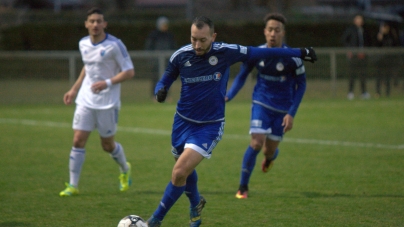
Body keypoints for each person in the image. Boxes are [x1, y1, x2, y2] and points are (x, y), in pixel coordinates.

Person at [145, 16, 316, 227]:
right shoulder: (181, 55)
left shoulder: (225, 52)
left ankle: (154, 220)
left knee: (179, 172)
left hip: (209, 126)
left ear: (213, 37)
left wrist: (300, 52)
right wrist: (159, 90)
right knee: (183, 172)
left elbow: (263, 51)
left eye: (203, 40)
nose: (197, 45)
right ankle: (196, 203)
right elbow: (167, 76)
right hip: (181, 123)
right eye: (193, 39)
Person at [225, 13, 307, 199]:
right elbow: (242, 75)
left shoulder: (293, 58)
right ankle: (243, 188)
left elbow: (302, 84)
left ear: (282, 33)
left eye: (277, 30)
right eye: (270, 30)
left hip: (283, 109)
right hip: (261, 103)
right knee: (256, 142)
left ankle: (269, 158)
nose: (273, 34)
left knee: (268, 150)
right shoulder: (256, 53)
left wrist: (291, 113)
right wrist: (228, 96)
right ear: (264, 32)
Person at [59, 7, 135, 197]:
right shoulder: (83, 43)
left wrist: (107, 82)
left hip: (108, 103)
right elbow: (88, 66)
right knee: (78, 140)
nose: (95, 24)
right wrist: (74, 89)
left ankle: (125, 169)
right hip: (85, 99)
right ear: (86, 24)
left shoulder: (115, 45)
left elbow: (129, 71)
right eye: (91, 21)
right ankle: (73, 185)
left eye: (99, 21)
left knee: (107, 145)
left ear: (104, 24)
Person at [341, 14, 372, 100]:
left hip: (363, 56)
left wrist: (365, 51)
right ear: (354, 20)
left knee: (363, 75)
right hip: (354, 56)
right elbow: (344, 40)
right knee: (352, 74)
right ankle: (350, 92)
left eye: (360, 19)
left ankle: (364, 92)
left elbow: (368, 42)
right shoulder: (351, 30)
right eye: (357, 19)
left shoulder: (364, 30)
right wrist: (350, 50)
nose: (359, 21)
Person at [145, 16, 177, 98]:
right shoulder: (154, 35)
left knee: (167, 78)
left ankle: (166, 95)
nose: (164, 26)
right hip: (156, 62)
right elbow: (149, 47)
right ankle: (155, 95)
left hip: (167, 61)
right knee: (156, 79)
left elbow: (173, 47)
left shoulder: (169, 35)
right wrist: (152, 59)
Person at [375, 22, 400, 98]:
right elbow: (376, 46)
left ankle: (387, 93)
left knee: (388, 77)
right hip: (380, 59)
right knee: (379, 76)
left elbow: (395, 45)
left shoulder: (392, 36)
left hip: (389, 59)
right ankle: (378, 92)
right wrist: (379, 39)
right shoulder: (379, 36)